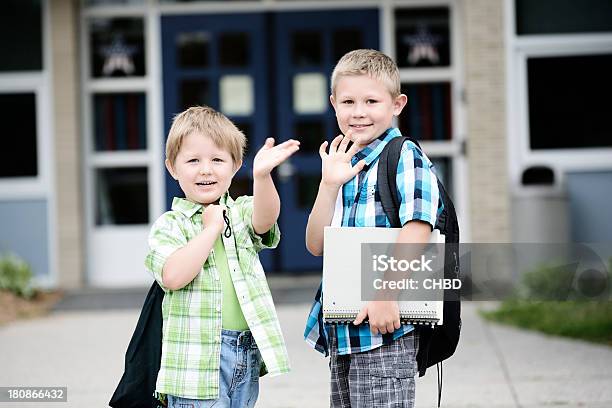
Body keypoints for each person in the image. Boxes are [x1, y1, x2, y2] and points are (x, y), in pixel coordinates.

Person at [304, 49, 444, 407]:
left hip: (386, 328)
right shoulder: (343, 163)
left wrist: (386, 295)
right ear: (334, 104)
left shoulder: (404, 155)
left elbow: (417, 229)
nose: (359, 111)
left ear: (397, 104)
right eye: (348, 101)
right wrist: (328, 185)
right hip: (345, 329)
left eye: (371, 100)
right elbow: (316, 244)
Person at [145, 106, 298, 408]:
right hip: (195, 362)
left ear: (235, 165)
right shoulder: (171, 225)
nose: (206, 169)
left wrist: (263, 176)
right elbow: (173, 276)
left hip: (244, 352)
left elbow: (265, 219)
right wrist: (211, 229)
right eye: (193, 161)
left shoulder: (239, 212)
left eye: (217, 160)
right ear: (172, 167)